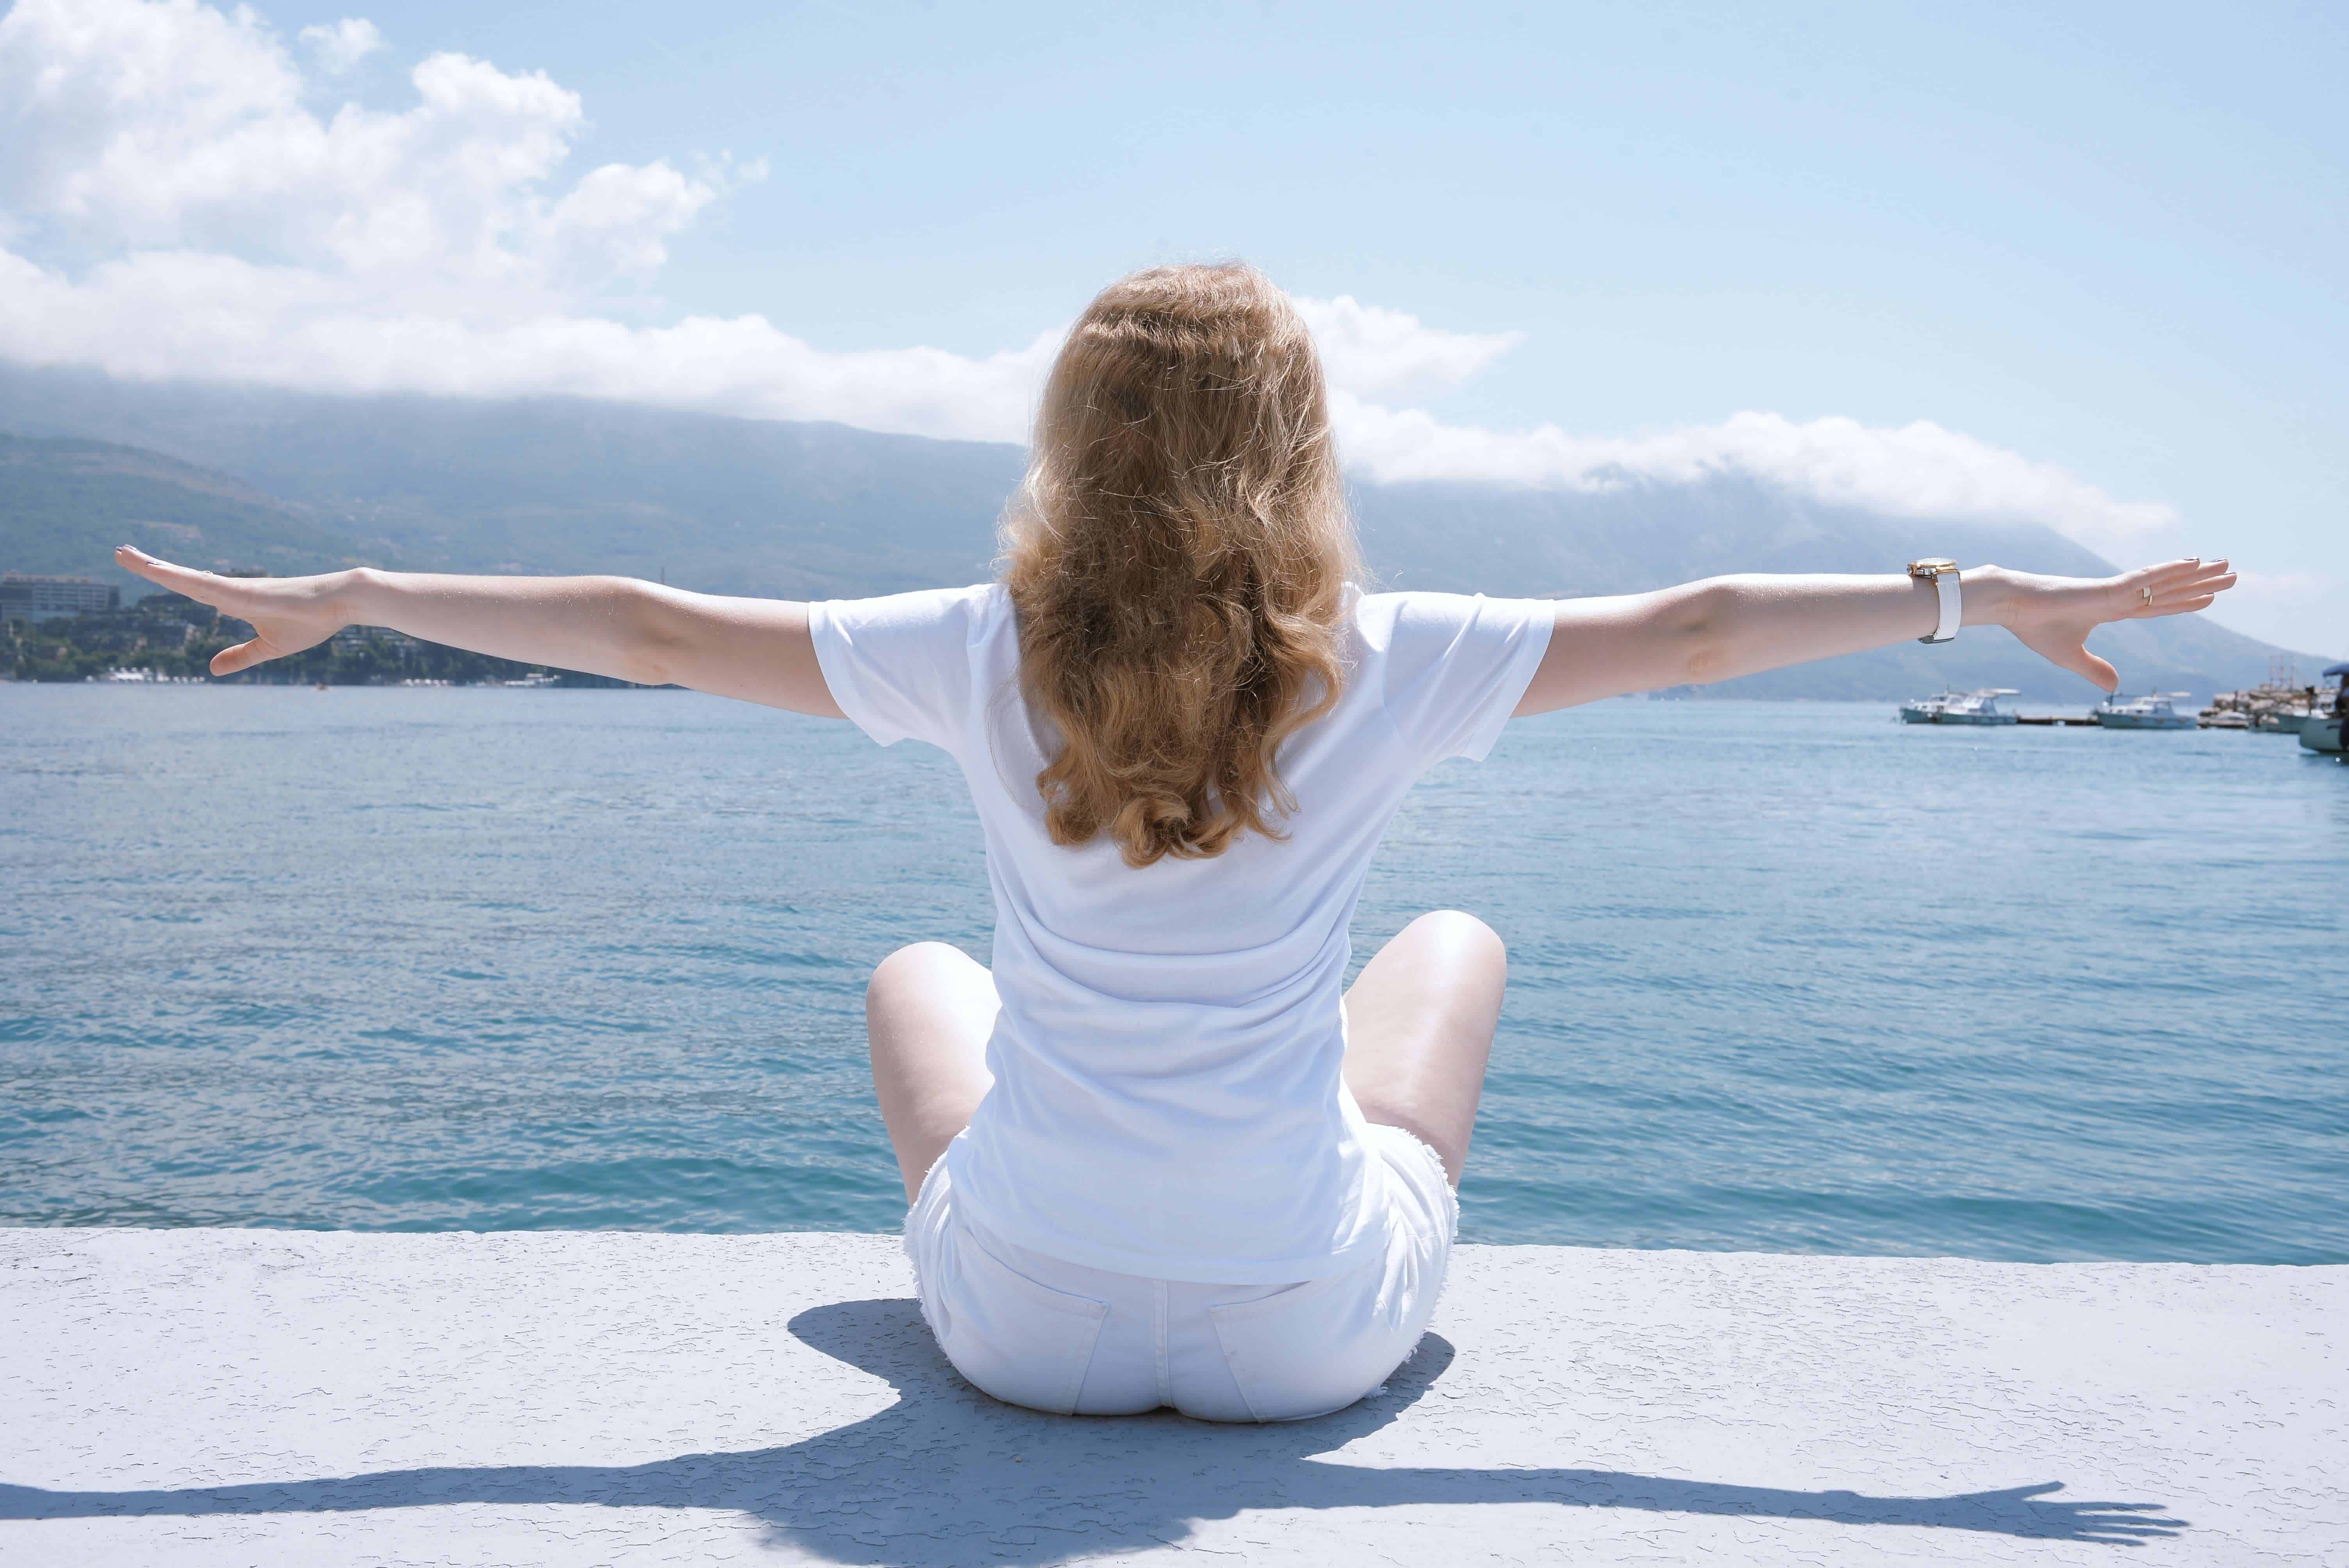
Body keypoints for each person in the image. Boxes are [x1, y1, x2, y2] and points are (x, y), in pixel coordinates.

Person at [116, 262, 2236, 1424]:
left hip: (1019, 1332)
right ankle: (1305, 1187)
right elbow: (1694, 629)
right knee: (1452, 946)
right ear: (1301, 451)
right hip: (1304, 1330)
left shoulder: (976, 648)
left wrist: (361, 593)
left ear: (1069, 441)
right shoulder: (1384, 658)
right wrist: (1984, 599)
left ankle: (1081, 1208)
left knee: (920, 976)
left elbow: (653, 631)